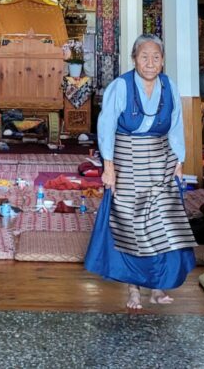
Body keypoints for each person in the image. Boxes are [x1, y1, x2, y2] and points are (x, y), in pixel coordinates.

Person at [84, 34, 196, 309]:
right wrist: (108, 167)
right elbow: (106, 126)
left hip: (161, 160)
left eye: (156, 57)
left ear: (163, 61)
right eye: (144, 57)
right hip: (127, 161)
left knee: (164, 224)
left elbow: (176, 125)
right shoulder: (120, 86)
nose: (150, 62)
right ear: (134, 59)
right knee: (131, 228)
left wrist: (179, 161)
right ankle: (133, 289)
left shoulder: (169, 87)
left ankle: (158, 286)